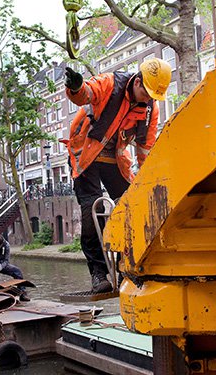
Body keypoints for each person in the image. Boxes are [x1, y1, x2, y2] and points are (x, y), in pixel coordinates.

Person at [64, 58, 172, 294]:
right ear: (137, 81)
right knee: (91, 209)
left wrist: (148, 182)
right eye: (146, 92)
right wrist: (76, 87)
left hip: (115, 158)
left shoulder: (150, 108)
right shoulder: (111, 84)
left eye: (153, 96)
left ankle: (127, 266)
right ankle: (98, 274)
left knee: (130, 206)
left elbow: (146, 147)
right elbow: (87, 93)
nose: (148, 99)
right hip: (87, 155)